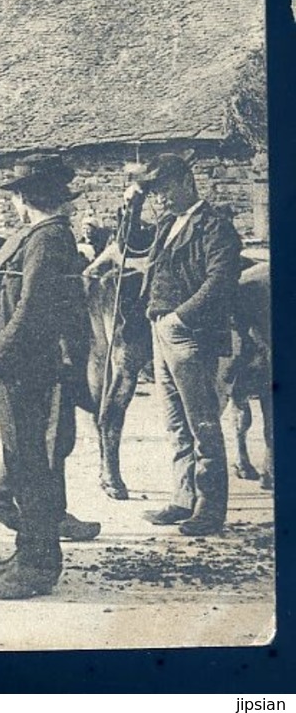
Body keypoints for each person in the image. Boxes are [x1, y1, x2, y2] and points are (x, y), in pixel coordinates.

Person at [0, 154, 100, 600]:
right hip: (21, 366)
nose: (12, 204)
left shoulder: (47, 240)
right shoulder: (41, 235)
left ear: (25, 198)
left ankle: (37, 566)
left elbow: (31, 310)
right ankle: (26, 551)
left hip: (28, 368)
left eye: (14, 196)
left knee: (34, 467)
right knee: (24, 462)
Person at [136, 153, 242, 537]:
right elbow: (130, 243)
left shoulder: (216, 227)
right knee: (175, 421)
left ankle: (210, 508)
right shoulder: (167, 224)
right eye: (153, 192)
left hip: (190, 332)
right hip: (160, 328)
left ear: (185, 182)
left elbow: (220, 282)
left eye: (162, 189)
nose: (158, 198)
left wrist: (180, 318)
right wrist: (133, 200)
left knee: (202, 422)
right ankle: (183, 498)